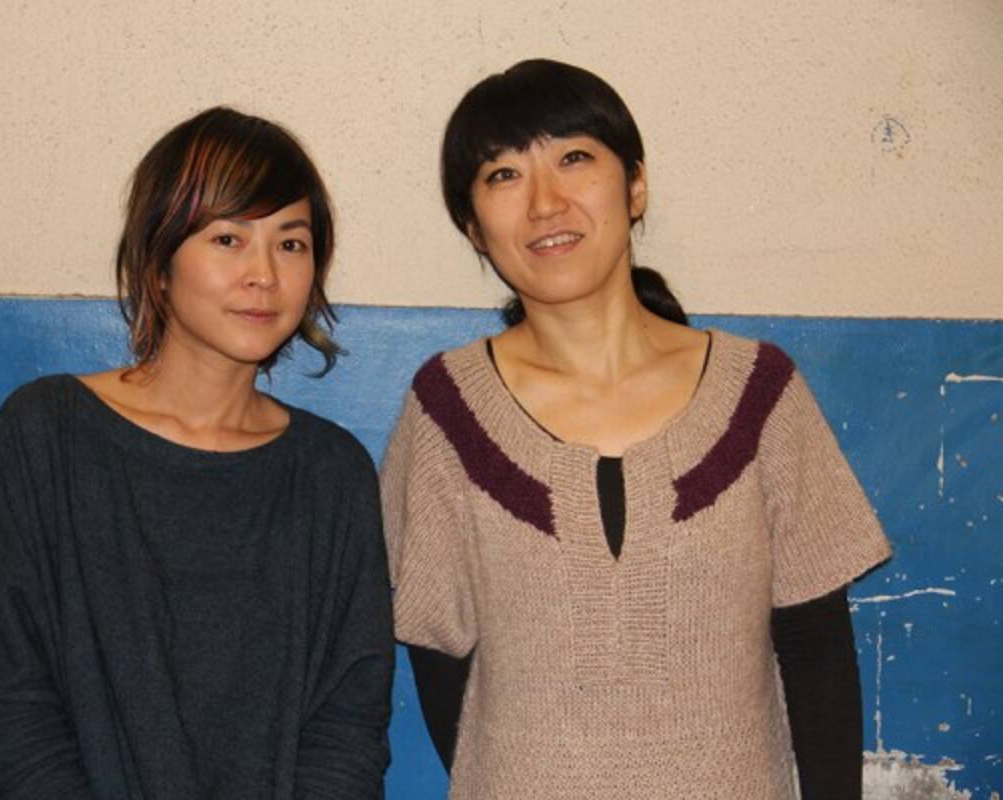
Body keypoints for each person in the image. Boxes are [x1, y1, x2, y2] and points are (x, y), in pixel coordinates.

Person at [381, 59, 890, 799]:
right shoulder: (447, 408)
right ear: (473, 228)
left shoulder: (760, 392)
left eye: (574, 158)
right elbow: (436, 655)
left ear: (636, 186)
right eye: (504, 175)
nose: (545, 202)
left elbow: (818, 649)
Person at [0, 107, 393, 799]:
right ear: (158, 260)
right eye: (228, 238)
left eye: (291, 243)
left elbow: (348, 727)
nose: (264, 274)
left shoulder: (332, 473)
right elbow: (18, 707)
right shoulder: (47, 434)